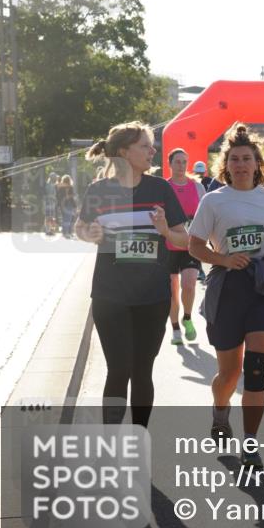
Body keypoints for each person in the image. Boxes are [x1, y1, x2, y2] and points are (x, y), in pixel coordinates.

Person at [188, 123, 264, 469]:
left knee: (257, 368)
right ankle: (220, 409)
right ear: (226, 165)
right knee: (228, 374)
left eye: (247, 158)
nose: (242, 165)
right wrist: (224, 259)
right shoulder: (214, 200)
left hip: (261, 286)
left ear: (257, 163)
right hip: (228, 289)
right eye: (235, 159)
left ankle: (250, 443)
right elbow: (195, 245)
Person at [75, 122, 189, 427]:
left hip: (152, 295)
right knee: (118, 369)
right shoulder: (98, 190)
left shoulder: (160, 188)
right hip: (110, 295)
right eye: (145, 146)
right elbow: (80, 228)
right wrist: (91, 233)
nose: (153, 151)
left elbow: (184, 239)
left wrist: (165, 231)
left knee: (141, 371)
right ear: (124, 152)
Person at [166, 148, 207, 344]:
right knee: (172, 289)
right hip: (168, 245)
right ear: (170, 164)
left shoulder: (197, 187)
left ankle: (187, 318)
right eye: (177, 162)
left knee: (189, 284)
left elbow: (207, 214)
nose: (181, 166)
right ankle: (175, 329)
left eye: (184, 162)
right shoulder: (163, 187)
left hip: (190, 245)